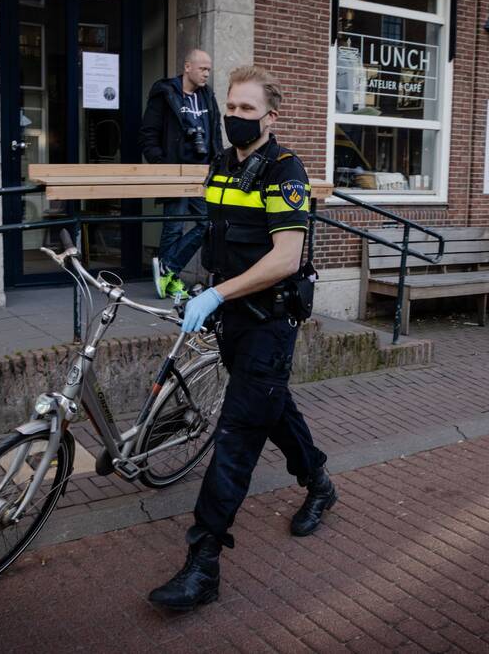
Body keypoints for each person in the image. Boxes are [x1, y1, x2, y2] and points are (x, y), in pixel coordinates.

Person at [147, 66, 334, 611]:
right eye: (231, 105)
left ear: (270, 117)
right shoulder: (222, 165)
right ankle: (319, 482)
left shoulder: (284, 170)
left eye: (247, 109)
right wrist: (191, 285)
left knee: (236, 437)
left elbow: (286, 257)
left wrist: (217, 295)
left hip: (269, 325)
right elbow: (216, 236)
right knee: (272, 408)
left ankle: (203, 565)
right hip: (233, 319)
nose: (235, 116)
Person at [139, 49, 223, 300]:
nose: (207, 73)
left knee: (206, 222)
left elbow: (216, 130)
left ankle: (169, 268)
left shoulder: (207, 95)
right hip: (175, 171)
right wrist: (161, 163)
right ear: (188, 67)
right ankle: (170, 280)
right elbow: (148, 133)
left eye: (209, 69)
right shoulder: (165, 93)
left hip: (202, 174)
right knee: (173, 227)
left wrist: (217, 159)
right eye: (202, 68)